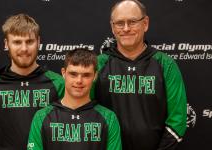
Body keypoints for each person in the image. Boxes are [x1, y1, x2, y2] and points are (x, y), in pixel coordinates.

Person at [94, 0, 187, 150]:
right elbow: (85, 113)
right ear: (112, 27)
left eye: (132, 22)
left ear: (145, 23)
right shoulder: (97, 65)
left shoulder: (166, 65)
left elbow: (178, 119)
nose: (125, 28)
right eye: (119, 23)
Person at [0, 13, 64, 150]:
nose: (24, 48)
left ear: (38, 42)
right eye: (17, 42)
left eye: (29, 41)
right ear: (6, 44)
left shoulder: (58, 83)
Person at [27, 48, 122, 150]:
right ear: (63, 73)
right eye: (73, 74)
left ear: (95, 76)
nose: (79, 81)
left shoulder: (109, 118)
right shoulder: (42, 117)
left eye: (86, 75)